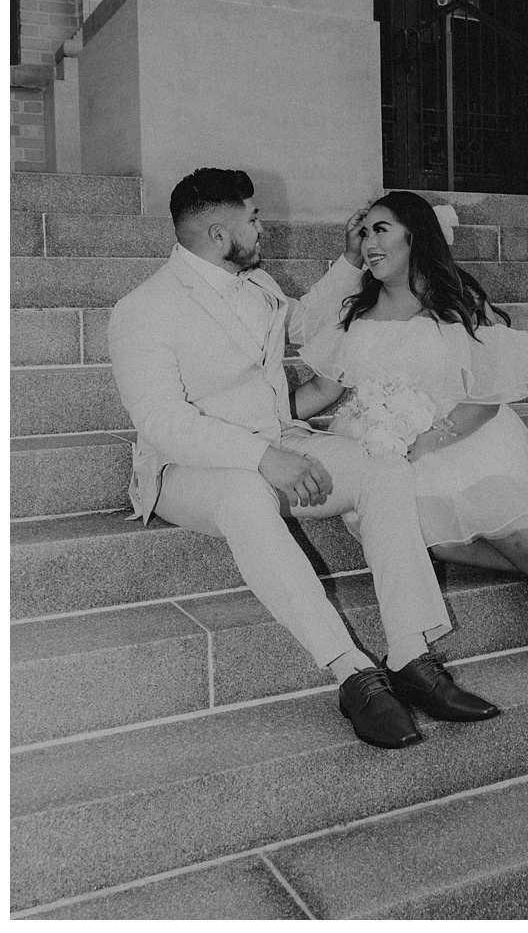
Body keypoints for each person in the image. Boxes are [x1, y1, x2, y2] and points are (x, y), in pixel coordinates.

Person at [107, 168, 500, 752]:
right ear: (219, 233)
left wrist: (347, 261)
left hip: (281, 441)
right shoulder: (143, 310)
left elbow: (306, 324)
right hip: (186, 472)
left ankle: (412, 657)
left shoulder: (258, 283)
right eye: (253, 218)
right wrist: (264, 458)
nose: (261, 227)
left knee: (384, 466)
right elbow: (163, 422)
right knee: (245, 496)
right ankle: (351, 674)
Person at [294, 191, 528, 670]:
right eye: (363, 233)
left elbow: (486, 399)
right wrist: (254, 415)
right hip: (386, 453)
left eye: (380, 230)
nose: (369, 244)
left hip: (461, 438)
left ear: (415, 235)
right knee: (427, 536)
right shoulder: (355, 313)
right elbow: (323, 390)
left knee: (497, 513)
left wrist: (426, 440)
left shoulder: (458, 305)